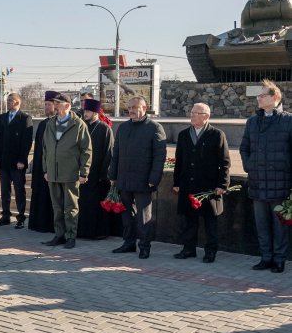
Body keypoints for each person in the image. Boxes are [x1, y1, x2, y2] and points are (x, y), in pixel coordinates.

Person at [240, 79, 292, 273]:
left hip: (281, 184)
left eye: (262, 95)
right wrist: (249, 166)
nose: (259, 98)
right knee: (262, 225)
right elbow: (244, 147)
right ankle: (266, 257)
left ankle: (279, 259)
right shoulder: (253, 121)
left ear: (275, 97)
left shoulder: (288, 121)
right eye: (258, 95)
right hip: (258, 182)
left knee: (280, 226)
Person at [110, 96, 167, 259]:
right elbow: (116, 153)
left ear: (144, 108)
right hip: (124, 179)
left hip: (144, 181)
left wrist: (153, 179)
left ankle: (144, 246)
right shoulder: (123, 128)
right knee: (127, 215)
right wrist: (112, 175)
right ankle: (128, 243)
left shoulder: (154, 128)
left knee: (143, 216)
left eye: (135, 107)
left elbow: (159, 157)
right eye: (129, 108)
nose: (131, 110)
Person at [173, 103, 230, 263]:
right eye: (191, 112)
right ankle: (188, 249)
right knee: (189, 220)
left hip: (208, 185)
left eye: (196, 113)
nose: (192, 116)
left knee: (210, 220)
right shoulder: (184, 134)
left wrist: (222, 185)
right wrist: (176, 182)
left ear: (206, 116)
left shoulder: (217, 134)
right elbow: (179, 161)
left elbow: (225, 162)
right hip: (188, 183)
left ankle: (210, 251)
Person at [41, 94, 92, 249]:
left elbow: (86, 150)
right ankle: (59, 234)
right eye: (54, 103)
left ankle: (71, 236)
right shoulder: (50, 123)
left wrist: (84, 172)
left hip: (70, 172)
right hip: (53, 172)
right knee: (56, 206)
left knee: (71, 206)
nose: (55, 106)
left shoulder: (78, 124)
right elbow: (45, 149)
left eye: (58, 103)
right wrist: (46, 169)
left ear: (67, 105)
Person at [0, 93, 33, 228]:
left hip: (17, 163)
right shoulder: (2, 118)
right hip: (3, 161)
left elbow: (26, 142)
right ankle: (5, 216)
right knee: (5, 190)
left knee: (19, 190)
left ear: (17, 102)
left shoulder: (25, 118)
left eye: (10, 100)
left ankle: (20, 218)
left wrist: (22, 160)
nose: (7, 102)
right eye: (7, 100)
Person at [77, 98, 115, 239]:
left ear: (95, 112)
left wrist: (103, 174)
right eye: (85, 111)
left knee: (95, 205)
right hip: (83, 173)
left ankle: (97, 233)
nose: (85, 113)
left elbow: (109, 153)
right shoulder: (82, 127)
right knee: (83, 203)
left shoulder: (105, 129)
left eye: (88, 111)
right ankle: (82, 231)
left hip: (97, 175)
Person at [28, 91, 59, 233]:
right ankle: (38, 224)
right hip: (40, 166)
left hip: (53, 167)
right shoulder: (42, 124)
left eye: (49, 104)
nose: (46, 107)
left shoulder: (59, 124)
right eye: (45, 104)